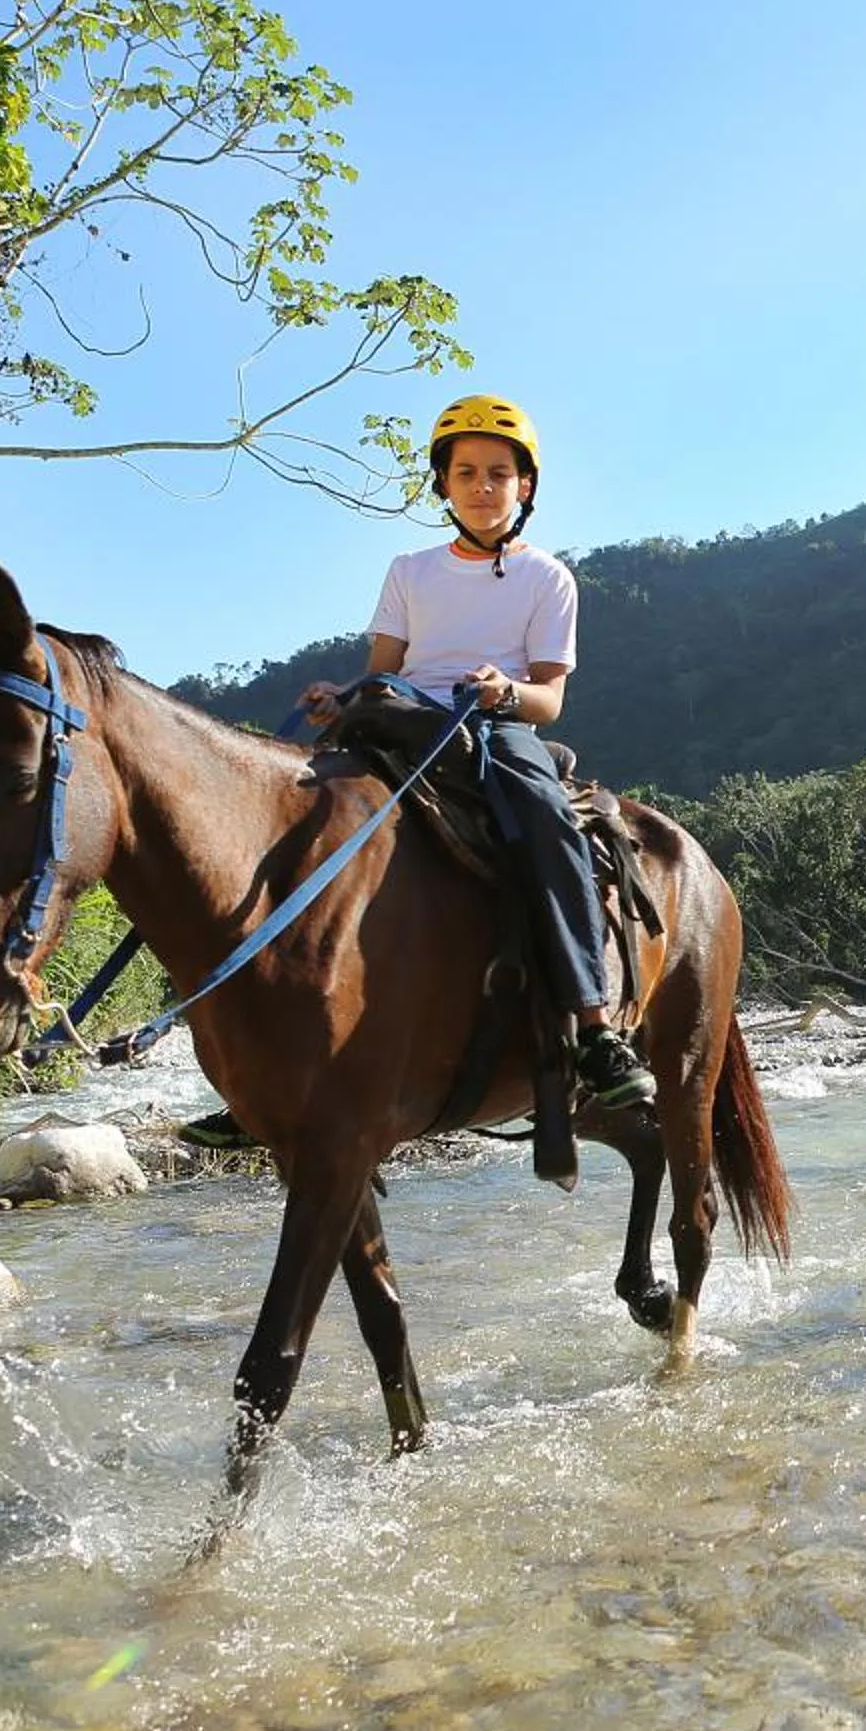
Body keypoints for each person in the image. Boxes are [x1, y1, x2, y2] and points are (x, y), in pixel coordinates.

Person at [177, 395, 654, 1176]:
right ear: (444, 485)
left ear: (525, 488)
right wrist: (342, 696)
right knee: (296, 812)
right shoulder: (410, 571)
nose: (482, 486)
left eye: (499, 473)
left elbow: (549, 698)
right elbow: (386, 671)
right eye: (465, 472)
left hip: (494, 723)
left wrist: (504, 690)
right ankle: (264, 1063)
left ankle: (594, 1024)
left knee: (544, 819)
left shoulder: (547, 579)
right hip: (402, 716)